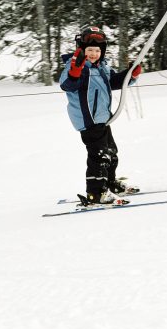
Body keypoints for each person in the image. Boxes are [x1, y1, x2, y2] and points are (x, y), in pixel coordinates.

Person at [59, 26, 142, 205]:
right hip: (88, 120)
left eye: (97, 50)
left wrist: (130, 74)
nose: (94, 54)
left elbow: (113, 81)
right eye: (89, 50)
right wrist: (75, 72)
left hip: (103, 119)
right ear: (81, 50)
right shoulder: (75, 66)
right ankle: (96, 194)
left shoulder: (102, 67)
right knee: (99, 156)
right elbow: (67, 85)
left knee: (110, 153)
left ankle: (110, 184)